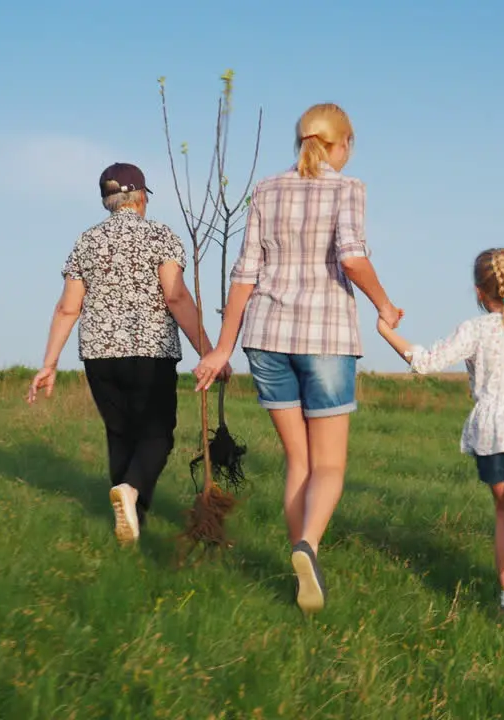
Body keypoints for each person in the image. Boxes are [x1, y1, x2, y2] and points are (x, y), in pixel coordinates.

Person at [193, 103, 403, 616]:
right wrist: (385, 304)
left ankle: (300, 570)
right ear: (341, 144)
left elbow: (245, 273)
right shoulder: (347, 188)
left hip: (266, 337)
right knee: (329, 463)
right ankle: (306, 546)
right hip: (326, 337)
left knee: (298, 461)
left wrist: (222, 348)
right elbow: (352, 258)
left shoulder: (266, 189)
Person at [375, 247, 504, 643]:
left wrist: (386, 331)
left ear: (478, 292)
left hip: (491, 435)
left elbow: (427, 361)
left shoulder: (474, 330)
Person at [28, 162, 221, 546]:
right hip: (150, 352)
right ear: (141, 196)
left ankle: (133, 525)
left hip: (99, 355)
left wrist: (49, 363)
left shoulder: (86, 241)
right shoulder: (160, 236)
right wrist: (209, 352)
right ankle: (131, 492)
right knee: (157, 437)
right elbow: (176, 295)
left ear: (107, 200)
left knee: (120, 435)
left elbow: (68, 308)